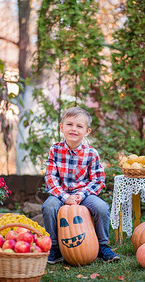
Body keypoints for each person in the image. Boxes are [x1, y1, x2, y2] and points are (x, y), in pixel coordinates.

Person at [42, 106, 120, 264]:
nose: (74, 129)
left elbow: (98, 180)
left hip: (84, 195)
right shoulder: (55, 150)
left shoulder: (91, 153)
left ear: (87, 131)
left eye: (79, 126)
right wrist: (65, 197)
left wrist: (80, 195)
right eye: (69, 124)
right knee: (48, 207)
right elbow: (50, 177)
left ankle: (102, 246)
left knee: (102, 208)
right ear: (61, 127)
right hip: (60, 194)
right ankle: (55, 248)